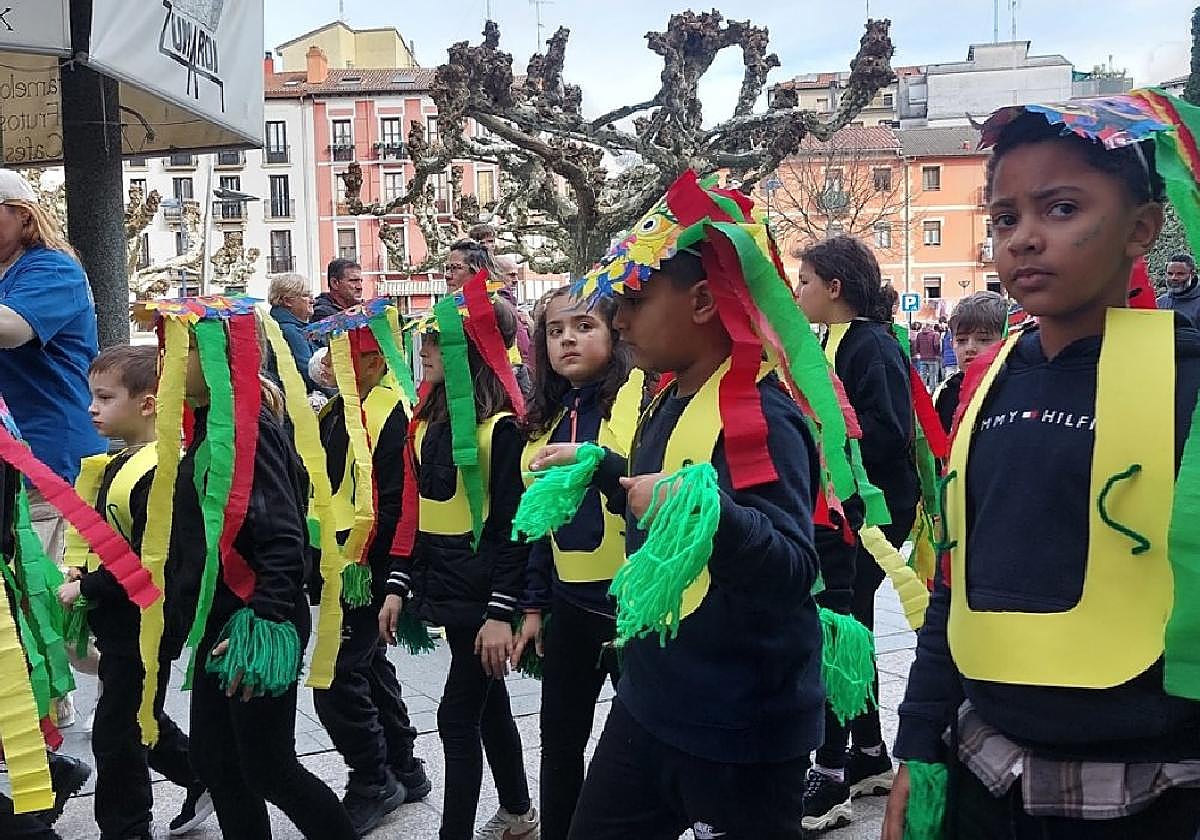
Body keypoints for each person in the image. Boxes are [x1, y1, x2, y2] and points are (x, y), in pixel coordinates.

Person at [883, 92, 1200, 839]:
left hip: (1152, 795)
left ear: (1142, 229)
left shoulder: (1188, 383)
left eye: (1061, 209)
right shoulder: (985, 380)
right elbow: (954, 581)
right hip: (987, 779)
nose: (1024, 239)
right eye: (1005, 218)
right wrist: (920, 749)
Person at [531, 172, 830, 839]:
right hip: (652, 699)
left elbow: (789, 566)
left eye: (634, 300)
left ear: (701, 300)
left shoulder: (760, 416)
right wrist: (603, 469)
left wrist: (707, 511)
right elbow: (657, 493)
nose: (619, 320)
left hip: (741, 725)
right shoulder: (669, 397)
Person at [159, 302, 356, 840]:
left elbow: (283, 535)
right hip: (219, 621)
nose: (171, 357)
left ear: (224, 357)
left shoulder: (251, 431)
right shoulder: (208, 429)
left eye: (189, 346)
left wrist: (265, 618)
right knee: (216, 760)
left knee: (269, 764)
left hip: (254, 620)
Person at [378, 279, 537, 840]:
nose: (422, 353)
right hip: (451, 591)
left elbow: (514, 529)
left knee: (455, 717)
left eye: (435, 344)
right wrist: (398, 585)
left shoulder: (502, 433)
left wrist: (501, 612)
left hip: (485, 597)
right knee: (488, 708)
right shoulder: (428, 424)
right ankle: (518, 812)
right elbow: (415, 512)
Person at [56, 345, 212, 840]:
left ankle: (127, 829)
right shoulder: (125, 462)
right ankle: (202, 777)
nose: (92, 408)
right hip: (126, 616)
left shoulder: (160, 472)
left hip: (148, 620)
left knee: (116, 734)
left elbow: (155, 561)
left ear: (147, 404)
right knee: (135, 713)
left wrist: (86, 586)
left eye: (105, 397)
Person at [795, 235, 919, 833]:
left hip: (865, 514)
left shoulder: (869, 344)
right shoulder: (833, 341)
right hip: (842, 510)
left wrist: (824, 434)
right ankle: (867, 754)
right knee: (854, 625)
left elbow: (889, 430)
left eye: (806, 283)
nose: (798, 293)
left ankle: (831, 775)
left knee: (839, 630)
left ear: (835, 288)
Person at [513, 288, 639, 840]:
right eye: (556, 330)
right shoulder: (548, 414)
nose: (568, 338)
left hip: (633, 605)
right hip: (568, 605)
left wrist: (597, 462)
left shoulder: (636, 399)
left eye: (584, 326)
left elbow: (646, 486)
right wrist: (534, 603)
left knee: (635, 752)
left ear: (615, 334)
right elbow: (542, 522)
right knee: (559, 742)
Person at [310, 309, 429, 836]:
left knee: (335, 678)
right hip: (340, 560)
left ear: (375, 359)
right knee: (369, 663)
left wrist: (387, 575)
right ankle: (404, 765)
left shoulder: (391, 413)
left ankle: (372, 778)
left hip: (369, 564)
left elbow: (399, 500)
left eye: (344, 355)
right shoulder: (340, 407)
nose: (331, 365)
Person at [0, 170, 105, 564]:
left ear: (24, 216)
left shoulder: (53, 268)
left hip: (47, 463)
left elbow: (11, 328)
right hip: (17, 462)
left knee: (43, 602)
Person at [933, 292, 1007, 434]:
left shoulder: (1016, 391)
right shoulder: (945, 394)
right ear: (952, 342)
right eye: (961, 340)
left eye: (984, 340)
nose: (970, 348)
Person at [267, 273, 322, 393]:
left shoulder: (289, 327)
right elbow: (311, 374)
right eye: (306, 295)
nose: (313, 300)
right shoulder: (290, 332)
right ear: (287, 301)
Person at [1157, 253, 1200, 327]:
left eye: (1180, 274)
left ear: (1192, 275)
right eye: (1170, 274)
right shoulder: (1160, 303)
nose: (1174, 278)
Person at [911, 321, 941, 391]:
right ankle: (932, 391)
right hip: (932, 358)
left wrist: (920, 352)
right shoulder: (934, 335)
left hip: (922, 358)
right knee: (932, 376)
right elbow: (936, 345)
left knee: (922, 376)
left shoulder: (919, 335)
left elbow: (917, 346)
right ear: (930, 327)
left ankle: (922, 391)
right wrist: (936, 353)